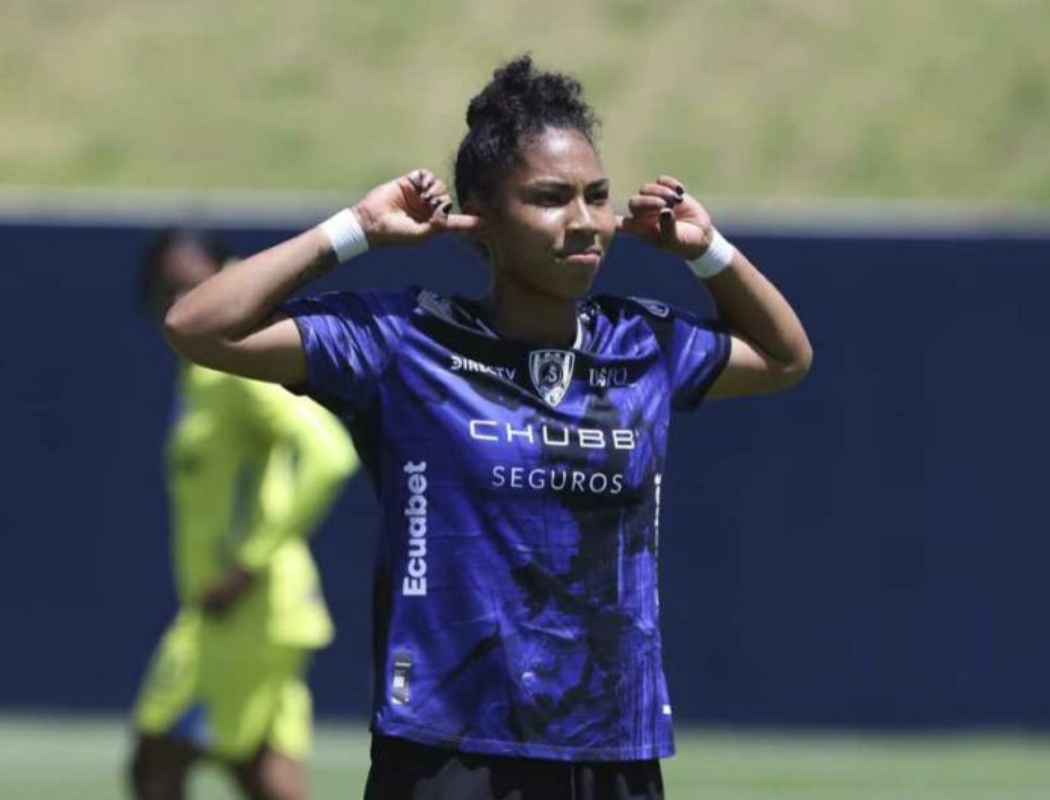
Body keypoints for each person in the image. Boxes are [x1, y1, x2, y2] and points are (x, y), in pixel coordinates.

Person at [163, 55, 812, 800]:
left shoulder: (643, 344)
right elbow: (198, 326)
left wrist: (709, 252)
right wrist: (358, 230)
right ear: (481, 217)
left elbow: (785, 357)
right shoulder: (404, 341)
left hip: (611, 744)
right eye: (549, 198)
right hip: (448, 748)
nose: (584, 222)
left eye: (597, 196)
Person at [129, 229, 359, 800]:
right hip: (252, 611)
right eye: (168, 289)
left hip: (244, 609)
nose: (180, 301)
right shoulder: (200, 372)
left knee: (156, 761)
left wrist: (248, 563)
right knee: (257, 769)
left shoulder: (233, 370)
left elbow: (329, 454)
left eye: (194, 286)